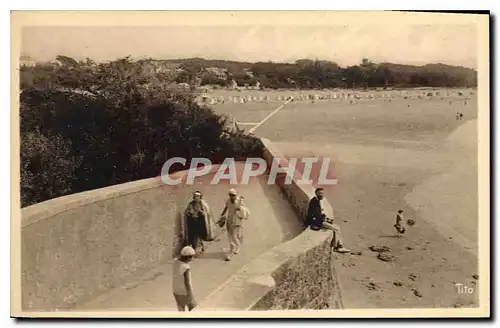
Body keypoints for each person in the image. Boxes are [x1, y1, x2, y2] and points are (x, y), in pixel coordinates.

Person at [305, 188, 350, 253]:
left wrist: (327, 219)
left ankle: (337, 245)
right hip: (316, 223)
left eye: (322, 193)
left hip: (317, 221)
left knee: (335, 227)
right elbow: (317, 217)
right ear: (316, 193)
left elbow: (318, 215)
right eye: (320, 193)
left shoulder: (315, 201)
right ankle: (338, 247)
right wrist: (326, 220)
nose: (321, 195)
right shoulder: (314, 203)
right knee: (337, 228)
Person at [217, 188, 250, 261]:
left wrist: (240, 215)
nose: (232, 196)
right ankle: (233, 246)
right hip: (229, 219)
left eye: (233, 195)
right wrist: (221, 215)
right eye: (231, 195)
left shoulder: (238, 202)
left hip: (236, 221)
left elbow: (242, 212)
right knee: (229, 234)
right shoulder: (228, 201)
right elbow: (225, 208)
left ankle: (236, 247)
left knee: (235, 235)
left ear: (235, 195)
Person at [172, 246, 196, 311]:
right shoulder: (186, 267)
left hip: (175, 290)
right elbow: (187, 283)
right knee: (193, 308)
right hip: (184, 292)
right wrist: (191, 296)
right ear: (188, 257)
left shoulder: (174, 261)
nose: (192, 259)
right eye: (192, 257)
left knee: (181, 308)